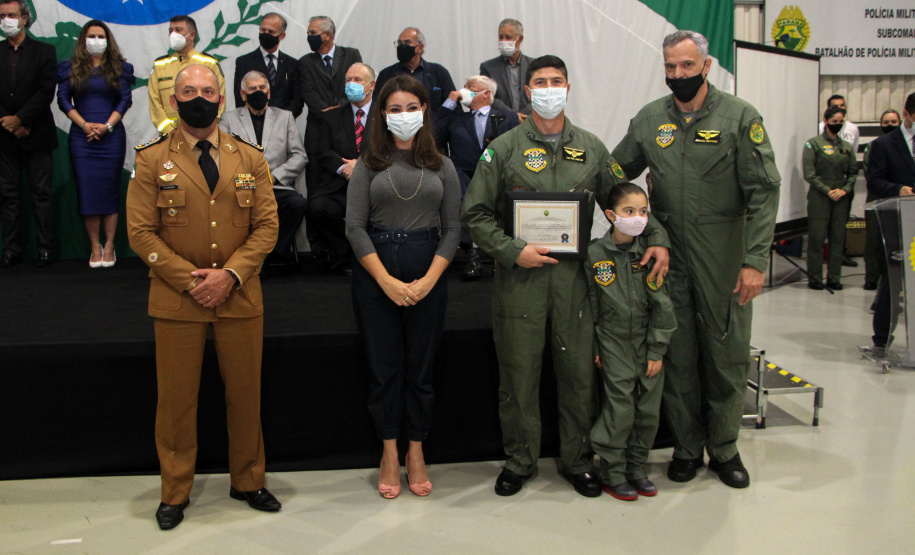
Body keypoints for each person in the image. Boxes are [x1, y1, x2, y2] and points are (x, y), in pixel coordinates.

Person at [461, 55, 669, 498]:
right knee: (518, 376)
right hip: (520, 282)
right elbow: (475, 213)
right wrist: (514, 251)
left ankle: (577, 461)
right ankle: (519, 460)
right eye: (540, 81)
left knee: (578, 377)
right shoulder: (505, 147)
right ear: (528, 91)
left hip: (576, 282)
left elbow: (625, 197)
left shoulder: (592, 148)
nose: (549, 88)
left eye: (557, 81)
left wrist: (656, 236)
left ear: (568, 89)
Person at [612, 30, 780, 489]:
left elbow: (764, 192)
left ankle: (724, 449)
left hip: (725, 257)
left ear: (705, 66)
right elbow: (613, 174)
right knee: (679, 357)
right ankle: (687, 448)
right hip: (668, 259)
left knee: (726, 356)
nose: (678, 75)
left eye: (686, 66)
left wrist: (754, 260)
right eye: (670, 67)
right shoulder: (649, 121)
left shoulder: (739, 118)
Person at [126, 64, 280, 530]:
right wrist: (194, 281)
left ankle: (249, 480)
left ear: (221, 100)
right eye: (188, 90)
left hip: (239, 296)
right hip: (178, 300)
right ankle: (174, 490)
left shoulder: (250, 157)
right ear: (174, 101)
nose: (198, 97)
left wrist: (230, 275)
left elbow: (268, 226)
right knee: (176, 402)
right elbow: (139, 232)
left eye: (207, 91)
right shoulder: (152, 158)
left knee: (245, 395)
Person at [344, 75, 461, 499]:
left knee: (421, 369)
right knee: (384, 368)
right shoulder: (368, 163)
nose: (404, 116)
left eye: (412, 107)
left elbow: (453, 229)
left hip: (428, 268)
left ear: (425, 111)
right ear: (382, 115)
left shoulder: (442, 165)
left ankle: (416, 450)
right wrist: (386, 281)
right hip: (377, 274)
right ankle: (389, 451)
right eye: (395, 109)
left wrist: (429, 279)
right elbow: (354, 228)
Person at [585, 182, 676, 501]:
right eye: (629, 211)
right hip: (613, 343)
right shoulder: (596, 254)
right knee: (620, 409)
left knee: (648, 410)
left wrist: (656, 349)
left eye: (643, 212)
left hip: (647, 343)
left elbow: (662, 305)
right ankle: (612, 470)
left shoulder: (649, 254)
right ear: (611, 215)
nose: (637, 218)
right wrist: (596, 348)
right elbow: (592, 305)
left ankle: (637, 467)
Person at [57, 19, 134, 268]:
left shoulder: (119, 68)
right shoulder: (71, 68)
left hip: (111, 136)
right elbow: (63, 99)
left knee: (110, 189)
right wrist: (84, 125)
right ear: (83, 39)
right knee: (87, 190)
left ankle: (110, 245)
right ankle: (94, 246)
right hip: (82, 137)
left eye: (101, 36)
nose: (96, 41)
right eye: (92, 36)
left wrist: (107, 126)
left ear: (108, 40)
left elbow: (124, 100)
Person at [436, 75, 520, 279]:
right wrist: (449, 103)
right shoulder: (456, 118)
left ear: (486, 93)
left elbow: (518, 147)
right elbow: (433, 134)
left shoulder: (507, 117)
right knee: (458, 197)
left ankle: (504, 251)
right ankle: (471, 254)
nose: (464, 90)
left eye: (470, 87)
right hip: (463, 174)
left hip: (497, 174)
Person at [220, 70, 307, 262]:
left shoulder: (285, 117)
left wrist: (274, 176)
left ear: (268, 93)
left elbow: (299, 155)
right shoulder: (228, 119)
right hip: (242, 185)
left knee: (297, 204)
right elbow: (222, 156)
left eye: (262, 88)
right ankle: (245, 255)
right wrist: (247, 178)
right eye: (252, 89)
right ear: (243, 94)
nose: (258, 92)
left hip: (274, 184)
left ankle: (271, 254)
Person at [0, 0, 57, 268]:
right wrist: (8, 122)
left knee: (41, 195)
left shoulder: (44, 51)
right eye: (2, 16)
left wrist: (21, 120)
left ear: (25, 18)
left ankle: (44, 248)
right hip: (4, 136)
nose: (6, 20)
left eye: (11, 15)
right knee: (8, 195)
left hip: (36, 132)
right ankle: (11, 249)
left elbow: (46, 91)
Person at [311, 62, 376, 272]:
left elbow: (388, 150)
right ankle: (350, 251)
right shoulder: (331, 115)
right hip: (339, 184)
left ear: (371, 85)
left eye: (357, 80)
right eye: (348, 80)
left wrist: (361, 166)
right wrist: (345, 168)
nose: (351, 84)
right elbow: (323, 151)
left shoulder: (384, 115)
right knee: (317, 208)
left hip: (373, 184)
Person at [867, 92, 915, 350]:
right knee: (893, 279)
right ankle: (883, 337)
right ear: (905, 115)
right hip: (897, 221)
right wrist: (898, 190)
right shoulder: (883, 145)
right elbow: (875, 181)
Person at [297, 16, 362, 192]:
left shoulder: (351, 55)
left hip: (348, 134)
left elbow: (355, 90)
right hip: (317, 135)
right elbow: (309, 94)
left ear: (326, 35)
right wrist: (335, 113)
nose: (309, 37)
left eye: (312, 33)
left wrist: (338, 110)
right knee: (316, 196)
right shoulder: (305, 62)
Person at [803, 105, 858, 291]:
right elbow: (809, 174)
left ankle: (834, 278)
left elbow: (852, 173)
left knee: (837, 239)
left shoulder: (846, 147)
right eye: (834, 122)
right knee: (816, 239)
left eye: (841, 122)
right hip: (820, 197)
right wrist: (827, 190)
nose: (838, 125)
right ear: (826, 121)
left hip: (841, 197)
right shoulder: (813, 144)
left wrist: (844, 190)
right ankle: (815, 278)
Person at [148, 15, 225, 135]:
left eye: (178, 30)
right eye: (170, 31)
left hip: (203, 136)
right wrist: (170, 132)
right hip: (169, 137)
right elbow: (155, 104)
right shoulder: (160, 65)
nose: (173, 34)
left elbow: (219, 101)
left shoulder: (209, 63)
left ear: (192, 35)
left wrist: (203, 130)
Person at [232, 12, 302, 118]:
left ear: (282, 35)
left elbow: (297, 101)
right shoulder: (244, 62)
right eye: (263, 30)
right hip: (254, 123)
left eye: (271, 32)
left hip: (284, 126)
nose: (265, 34)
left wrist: (281, 120)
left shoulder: (292, 64)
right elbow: (240, 97)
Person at [375, 27, 455, 116]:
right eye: (399, 43)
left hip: (434, 127)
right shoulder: (386, 75)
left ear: (420, 48)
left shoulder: (439, 72)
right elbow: (377, 108)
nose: (402, 46)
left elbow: (454, 109)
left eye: (407, 42)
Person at [863, 109, 901, 290]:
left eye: (894, 121)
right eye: (886, 122)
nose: (890, 125)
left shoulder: (906, 146)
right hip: (877, 196)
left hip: (899, 196)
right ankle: (871, 277)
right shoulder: (875, 146)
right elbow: (870, 172)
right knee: (873, 240)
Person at [479, 18, 532, 120]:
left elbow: (541, 94)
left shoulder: (534, 65)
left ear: (520, 39)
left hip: (530, 121)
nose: (503, 41)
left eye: (508, 37)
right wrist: (513, 116)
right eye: (501, 37)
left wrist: (524, 115)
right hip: (502, 122)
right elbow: (487, 96)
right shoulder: (488, 67)